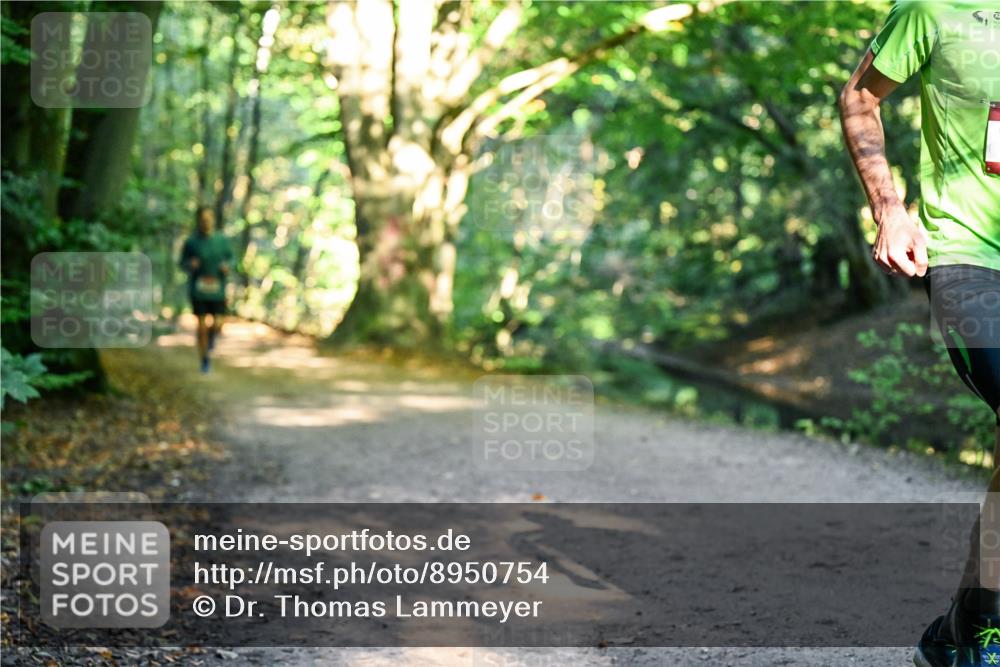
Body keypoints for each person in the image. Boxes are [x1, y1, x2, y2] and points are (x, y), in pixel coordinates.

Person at [839, 1, 999, 665]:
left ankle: (970, 624)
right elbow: (859, 97)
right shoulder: (935, 7)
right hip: (968, 254)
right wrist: (890, 209)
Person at [180, 206, 234, 373]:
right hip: (199, 291)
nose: (206, 222)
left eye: (209, 219)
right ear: (198, 221)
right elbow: (182, 263)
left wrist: (227, 266)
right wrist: (190, 264)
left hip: (218, 291)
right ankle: (204, 360)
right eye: (203, 219)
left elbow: (232, 258)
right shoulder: (191, 242)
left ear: (213, 219)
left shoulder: (222, 240)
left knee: (218, 324)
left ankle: (211, 338)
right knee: (202, 326)